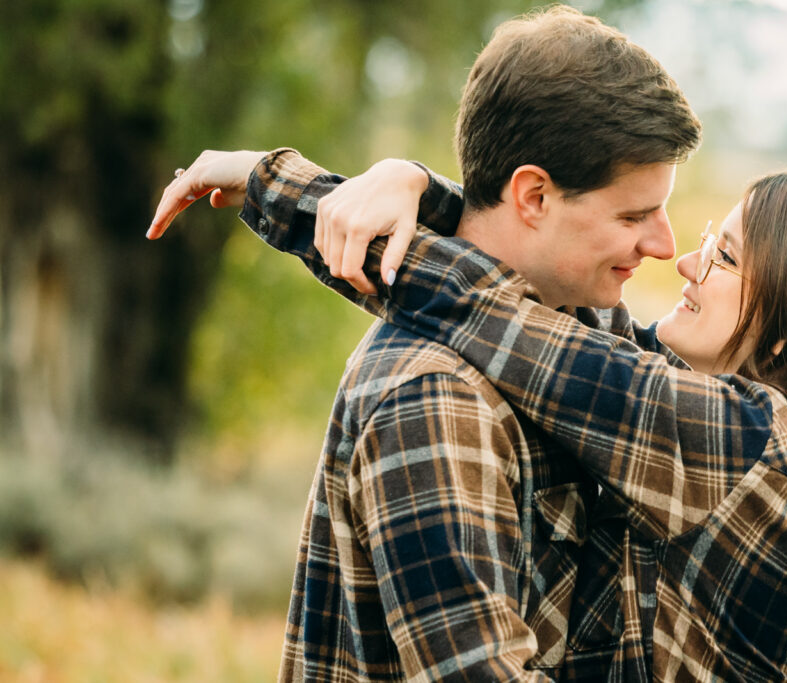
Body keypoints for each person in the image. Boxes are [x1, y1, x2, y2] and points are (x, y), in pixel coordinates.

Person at [150, 6, 701, 682]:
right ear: (533, 196)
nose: (664, 245)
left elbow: (473, 278)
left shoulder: (584, 322)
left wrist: (411, 183)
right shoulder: (434, 395)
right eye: (635, 214)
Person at [239, 162, 787, 682]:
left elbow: (497, 318)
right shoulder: (763, 437)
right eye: (711, 237)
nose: (689, 261)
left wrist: (268, 182)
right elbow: (564, 309)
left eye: (726, 257)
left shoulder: (749, 447)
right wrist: (416, 185)